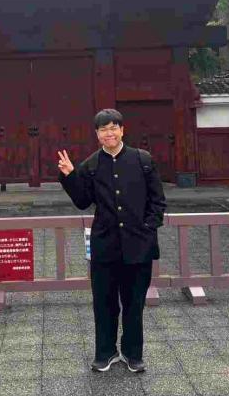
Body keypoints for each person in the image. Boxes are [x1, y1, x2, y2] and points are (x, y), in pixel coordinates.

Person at [57, 108, 166, 373]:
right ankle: (105, 353)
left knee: (134, 303)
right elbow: (82, 201)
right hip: (105, 245)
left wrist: (148, 228)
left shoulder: (143, 160)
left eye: (113, 128)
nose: (109, 133)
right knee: (104, 304)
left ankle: (132, 353)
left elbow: (158, 201)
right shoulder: (91, 164)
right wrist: (70, 176)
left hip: (137, 246)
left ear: (122, 130)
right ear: (97, 134)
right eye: (103, 129)